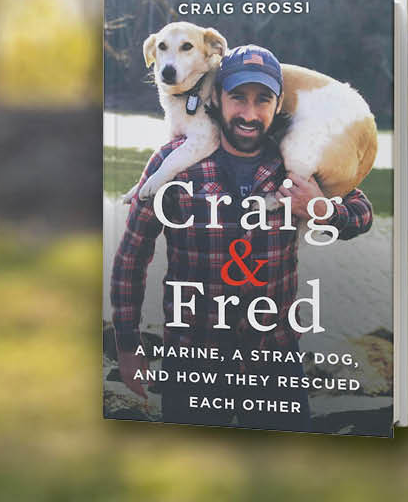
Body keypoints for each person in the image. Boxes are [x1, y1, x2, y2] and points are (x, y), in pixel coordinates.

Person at [110, 44, 374, 431]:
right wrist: (128, 346)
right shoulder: (174, 164)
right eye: (238, 98)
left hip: (275, 357)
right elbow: (131, 257)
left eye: (262, 100)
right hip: (192, 361)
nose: (249, 114)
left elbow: (362, 216)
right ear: (215, 97)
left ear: (277, 103)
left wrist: (319, 208)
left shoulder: (300, 164)